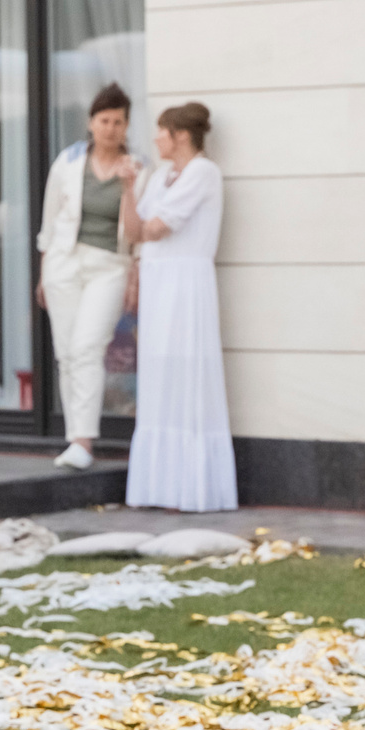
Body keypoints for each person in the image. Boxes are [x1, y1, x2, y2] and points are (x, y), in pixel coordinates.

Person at [120, 101, 236, 512]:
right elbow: (134, 230)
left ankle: (192, 487)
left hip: (186, 282)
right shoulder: (159, 177)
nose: (155, 139)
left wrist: (141, 219)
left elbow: (157, 227)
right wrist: (127, 188)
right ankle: (159, 486)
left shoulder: (204, 173)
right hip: (158, 280)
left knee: (187, 373)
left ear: (180, 135)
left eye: (162, 131)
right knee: (159, 373)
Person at [35, 84, 141, 472]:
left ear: (127, 126)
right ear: (91, 123)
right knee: (66, 353)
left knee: (87, 347)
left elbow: (136, 233)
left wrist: (135, 274)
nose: (111, 129)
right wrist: (43, 273)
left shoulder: (137, 168)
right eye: (104, 120)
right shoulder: (68, 162)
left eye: (118, 121)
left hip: (109, 267)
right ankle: (73, 439)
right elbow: (49, 219)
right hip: (63, 263)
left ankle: (84, 440)